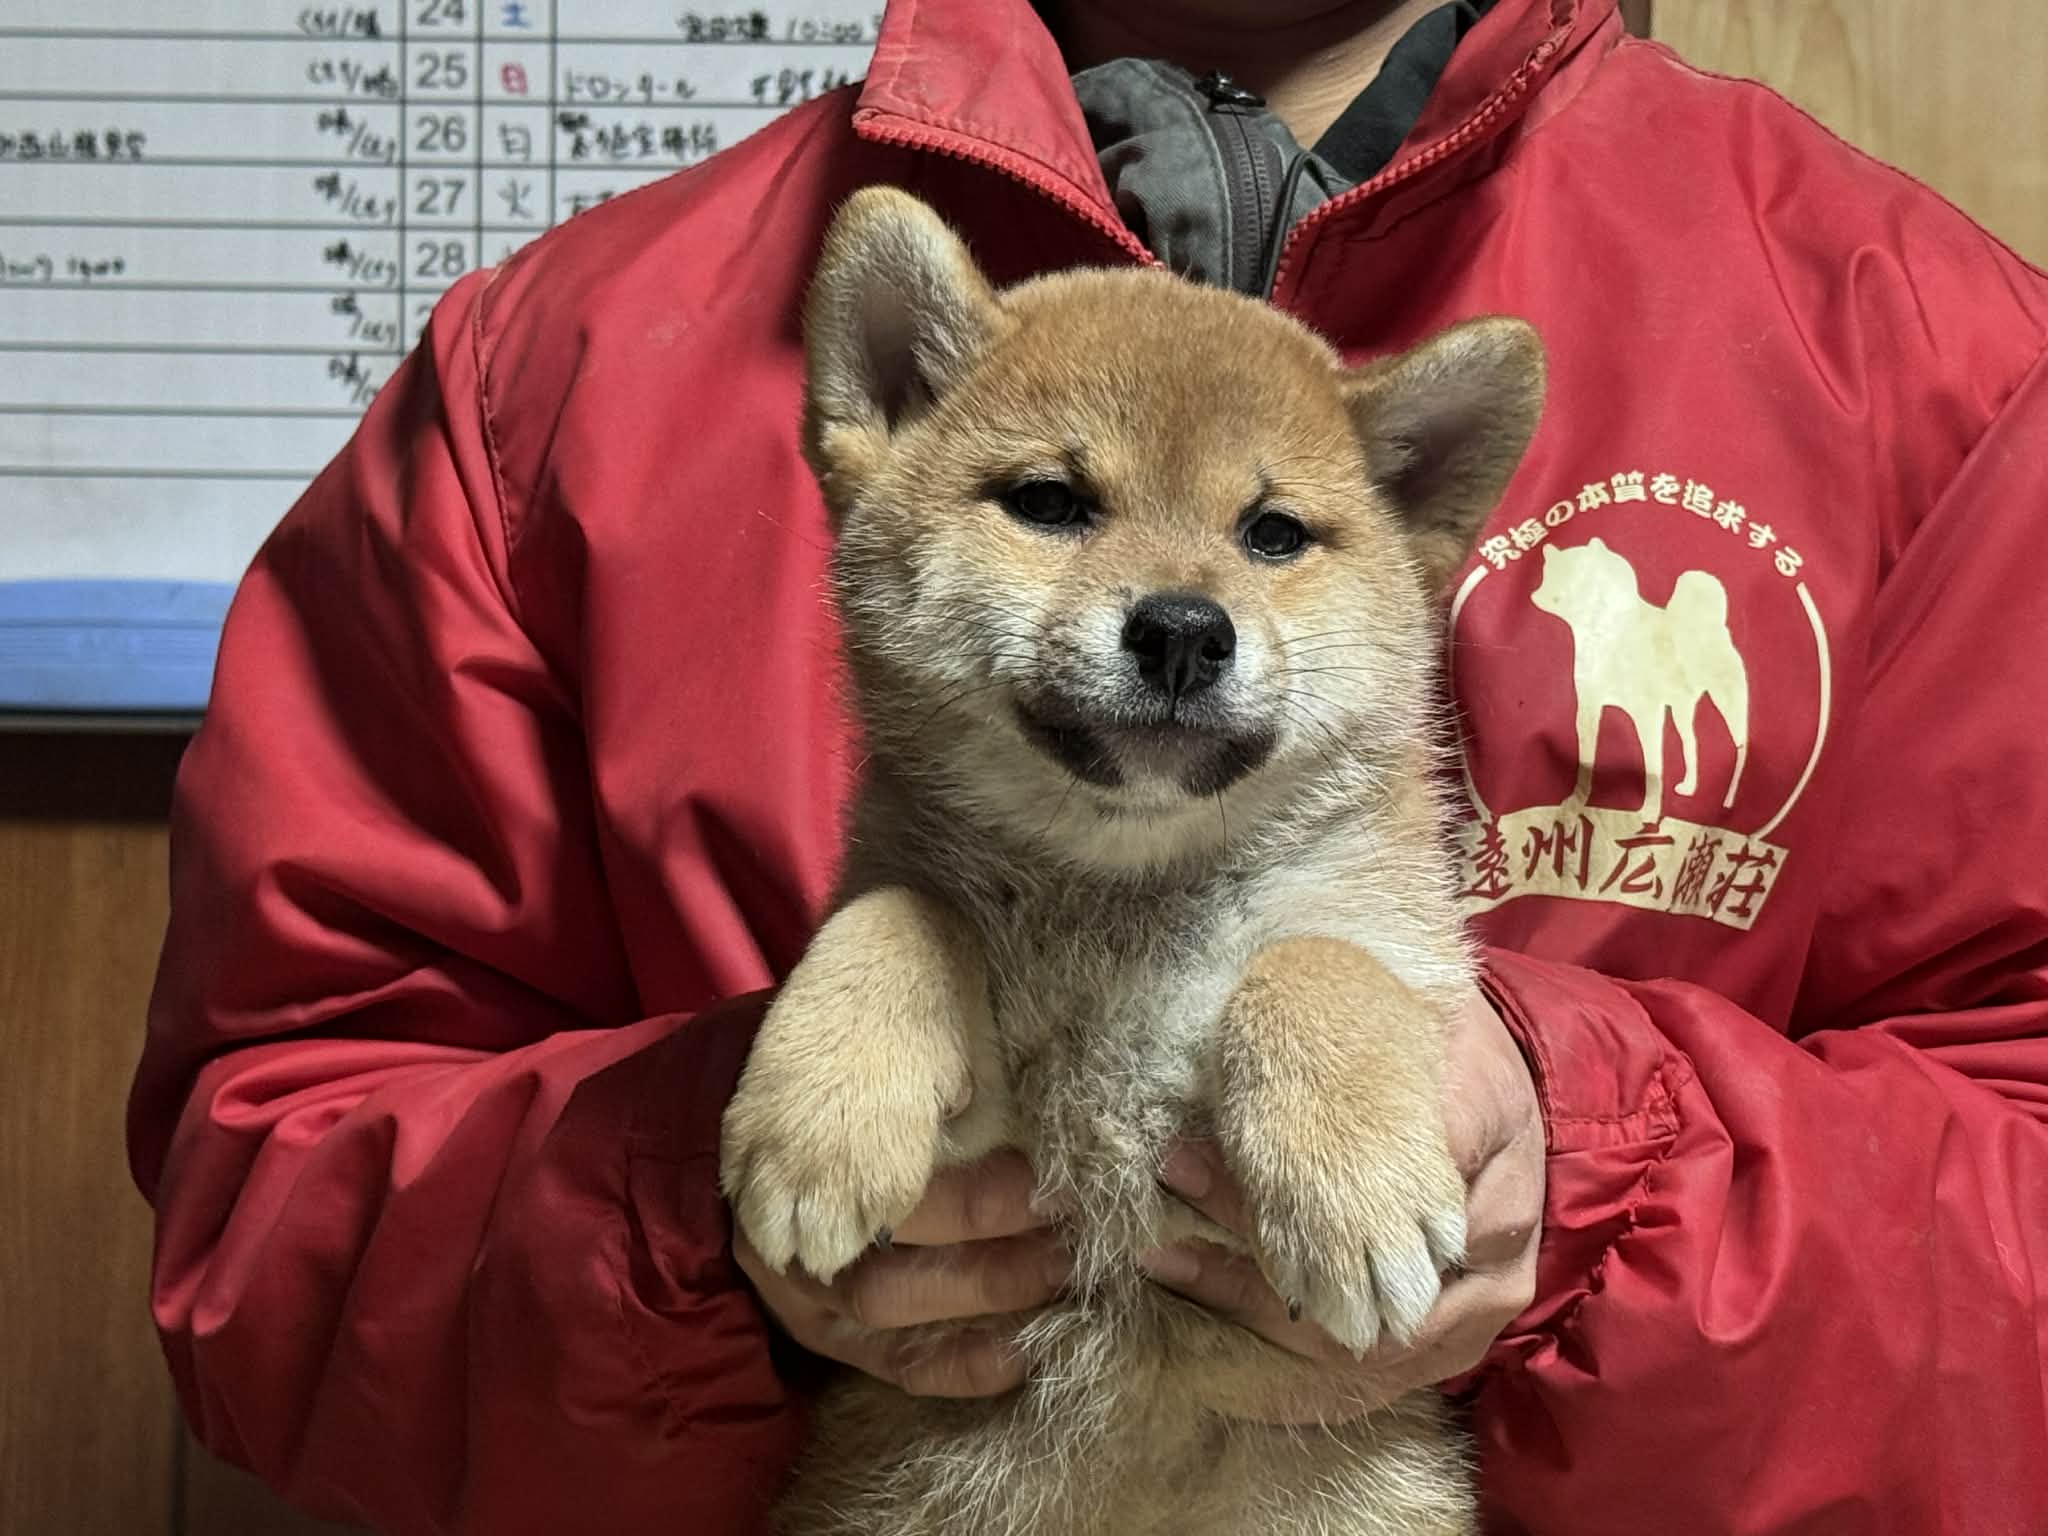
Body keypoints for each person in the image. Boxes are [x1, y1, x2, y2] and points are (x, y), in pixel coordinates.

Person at [129, 0, 2048, 1531]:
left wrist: (1611, 1189)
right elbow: (268, 1219)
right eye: (1053, 504)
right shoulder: (546, 383)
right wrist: (688, 1214)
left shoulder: (1920, 356)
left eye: (1274, 540)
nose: (1181, 611)